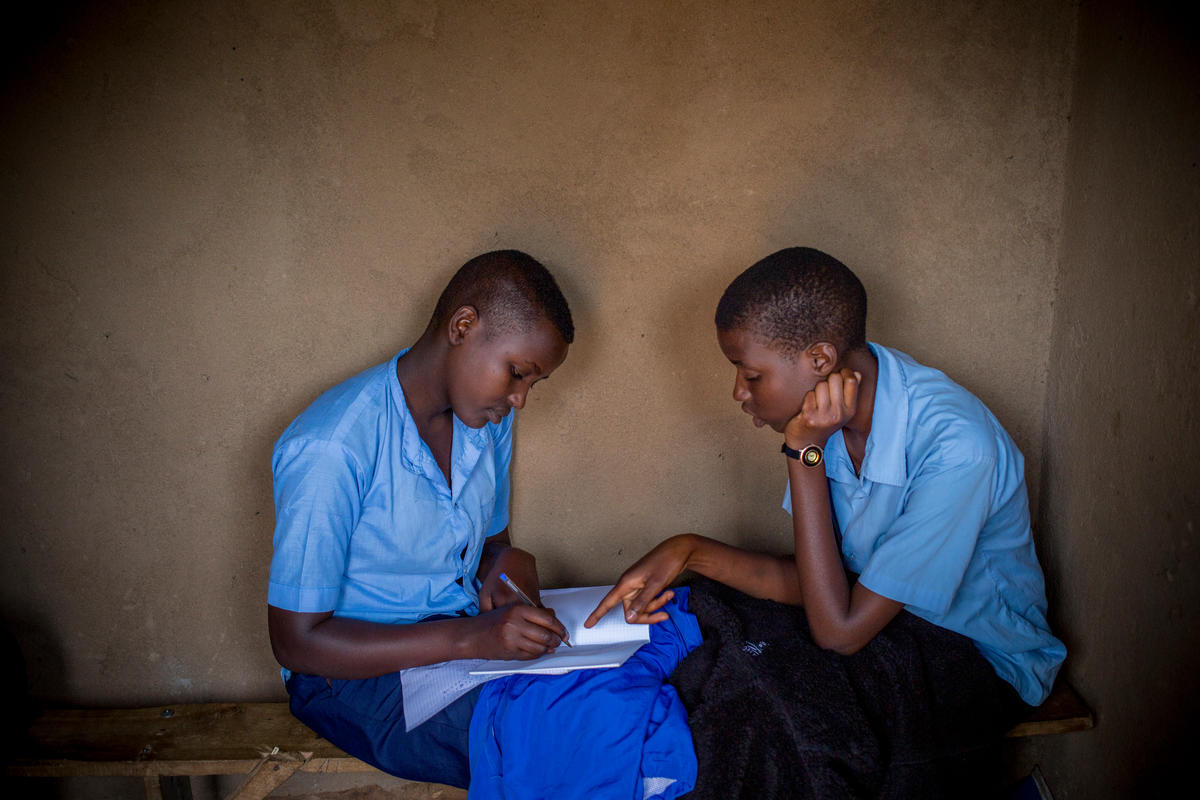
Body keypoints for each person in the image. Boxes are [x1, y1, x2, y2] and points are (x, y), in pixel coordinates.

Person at [587, 246, 1065, 712]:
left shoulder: (958, 449)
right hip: (874, 622)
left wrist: (803, 453)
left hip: (980, 655)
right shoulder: (830, 413)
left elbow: (839, 633)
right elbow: (826, 587)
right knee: (709, 647)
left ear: (820, 360)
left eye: (750, 375)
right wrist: (688, 550)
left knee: (756, 709)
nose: (738, 393)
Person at [267, 250, 574, 788]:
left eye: (532, 384)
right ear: (463, 326)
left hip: (455, 640)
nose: (521, 399)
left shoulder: (486, 422)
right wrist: (471, 640)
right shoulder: (332, 448)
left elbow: (487, 545)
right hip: (352, 677)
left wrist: (507, 561)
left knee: (608, 696)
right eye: (517, 374)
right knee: (548, 739)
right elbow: (296, 643)